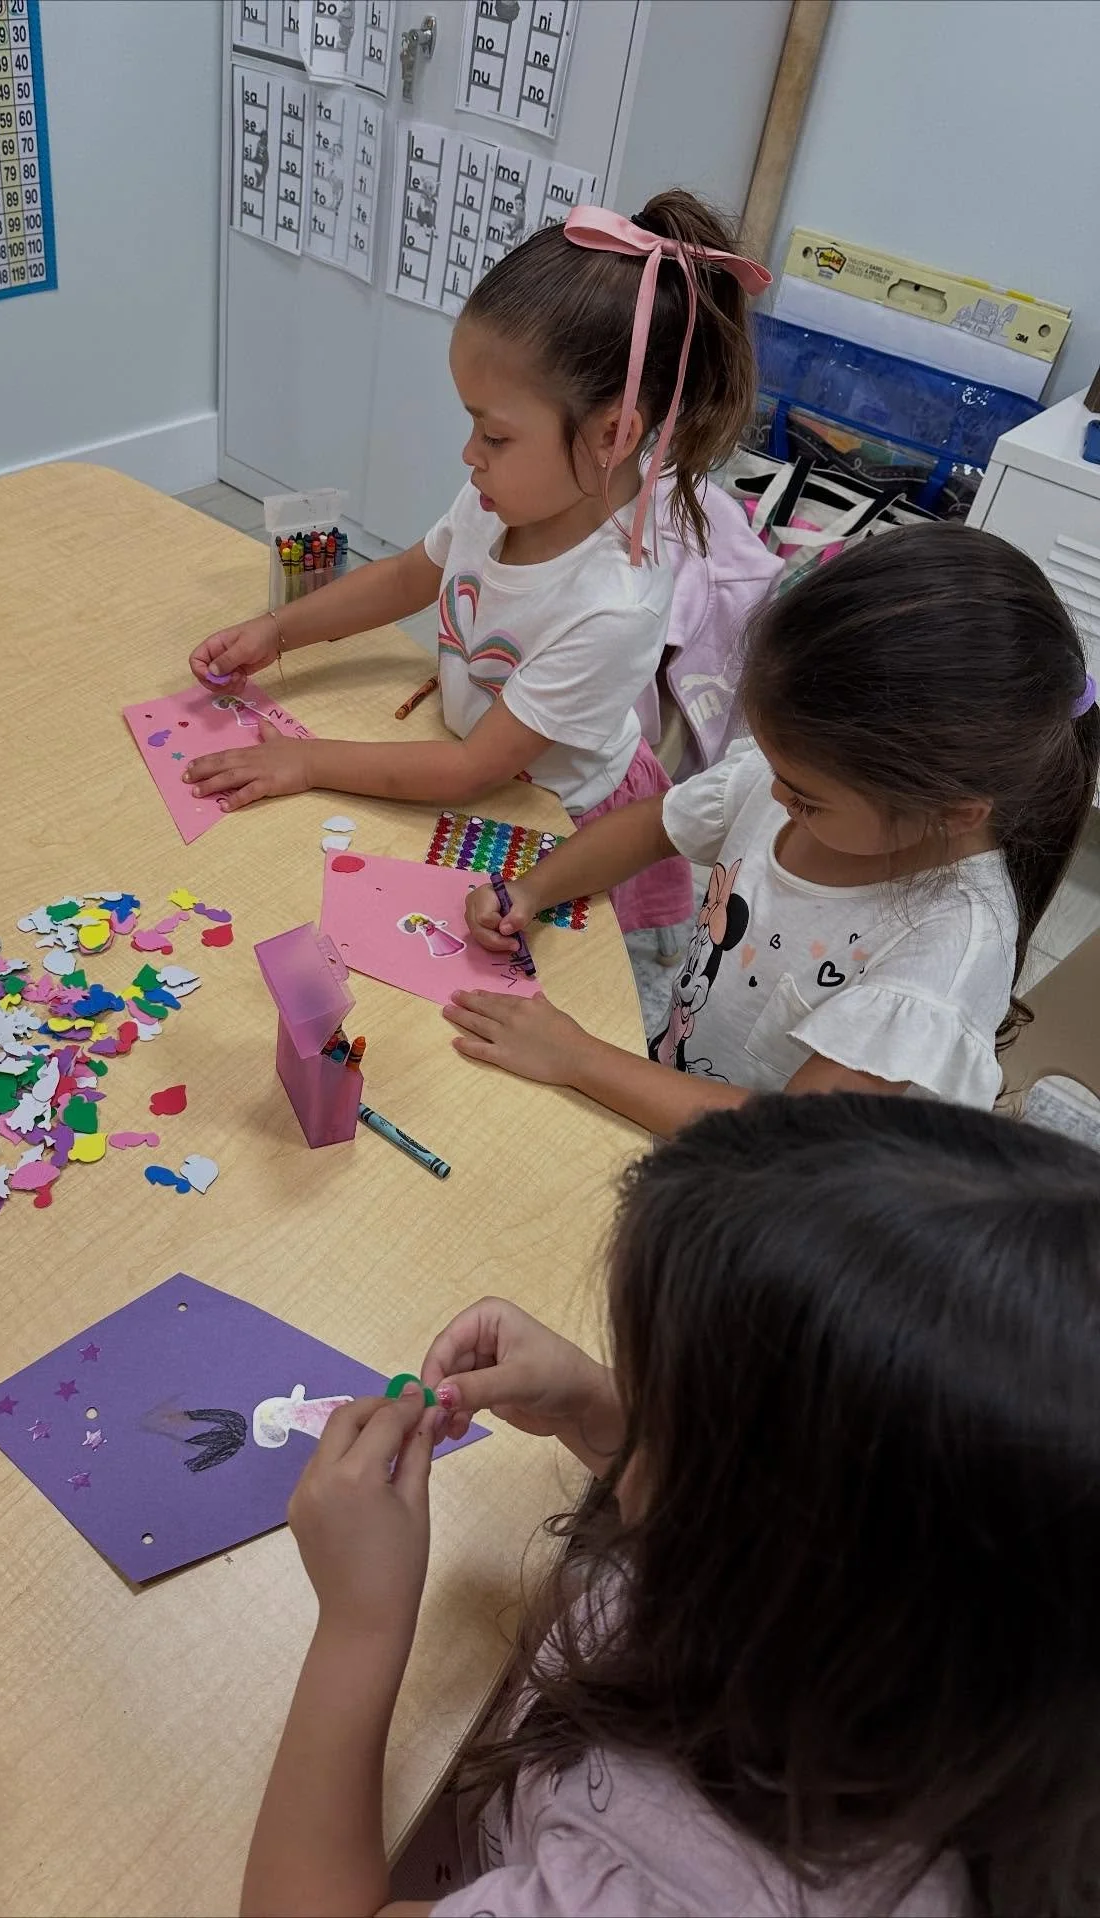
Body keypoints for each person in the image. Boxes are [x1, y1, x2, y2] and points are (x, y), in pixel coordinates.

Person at [240, 1095, 1100, 1917]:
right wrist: (598, 1408)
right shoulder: (945, 1639)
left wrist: (361, 1625)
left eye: (660, 1414)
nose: (636, 1425)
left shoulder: (673, 1893)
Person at [183, 191, 769, 932]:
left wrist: (303, 761)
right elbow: (406, 577)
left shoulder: (615, 607)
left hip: (555, 818)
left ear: (613, 435)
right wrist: (278, 631)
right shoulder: (499, 502)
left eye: (493, 436)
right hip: (467, 756)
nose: (469, 456)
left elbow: (470, 773)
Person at [449, 523, 1100, 1132]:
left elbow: (792, 1136)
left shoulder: (944, 954)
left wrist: (580, 1058)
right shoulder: (801, 780)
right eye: (774, 765)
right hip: (675, 1097)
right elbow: (653, 827)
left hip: (774, 1176)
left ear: (951, 812)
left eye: (807, 799)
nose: (774, 792)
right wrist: (535, 889)